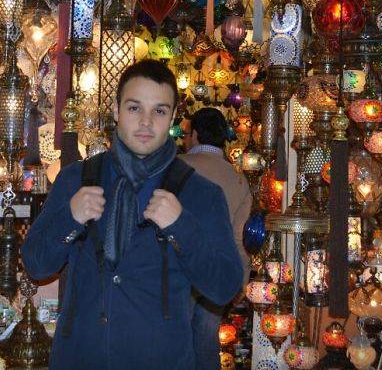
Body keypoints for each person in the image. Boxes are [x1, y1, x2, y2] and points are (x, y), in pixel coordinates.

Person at [21, 60, 243, 369]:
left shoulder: (199, 193)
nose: (146, 122)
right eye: (135, 108)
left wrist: (181, 227)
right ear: (115, 109)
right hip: (81, 357)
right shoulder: (76, 179)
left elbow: (224, 286)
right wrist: (69, 217)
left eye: (159, 111)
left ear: (174, 118)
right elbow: (35, 262)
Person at [180, 107, 252, 370]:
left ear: (195, 134)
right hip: (217, 273)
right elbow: (239, 238)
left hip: (179, 271)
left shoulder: (177, 168)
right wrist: (240, 280)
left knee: (176, 344)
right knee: (206, 343)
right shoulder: (238, 179)